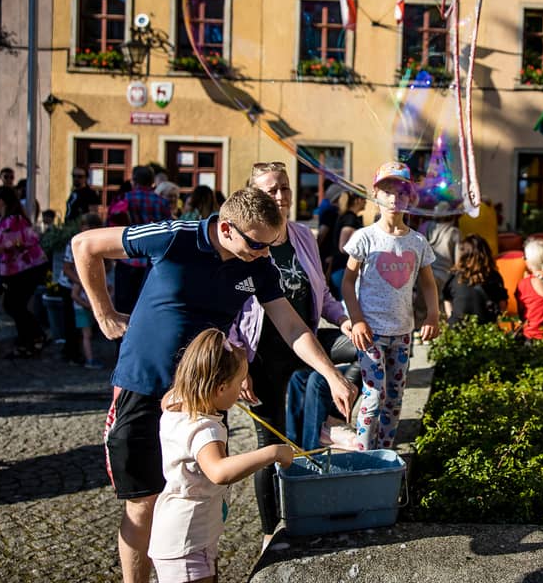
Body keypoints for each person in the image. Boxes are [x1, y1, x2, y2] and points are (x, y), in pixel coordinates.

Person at [72, 186, 356, 583]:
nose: (265, 253)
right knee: (143, 502)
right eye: (257, 244)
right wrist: (103, 313)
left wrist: (330, 373)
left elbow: (291, 326)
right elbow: (85, 244)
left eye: (271, 244)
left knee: (198, 495)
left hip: (202, 398)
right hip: (143, 385)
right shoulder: (175, 237)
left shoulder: (258, 265)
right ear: (226, 229)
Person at [228, 161, 353, 549]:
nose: (280, 196)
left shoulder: (302, 235)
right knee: (269, 442)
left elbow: (323, 293)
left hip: (304, 342)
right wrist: (238, 363)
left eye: (284, 187)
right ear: (253, 195)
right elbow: (228, 307)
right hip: (261, 355)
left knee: (367, 347)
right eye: (270, 190)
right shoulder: (243, 240)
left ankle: (329, 426)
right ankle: (271, 531)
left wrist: (345, 321)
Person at [148, 327, 293, 583]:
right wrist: (272, 452)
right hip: (188, 541)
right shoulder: (204, 430)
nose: (241, 391)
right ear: (221, 388)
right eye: (239, 383)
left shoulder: (175, 403)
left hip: (183, 535)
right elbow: (219, 471)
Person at [341, 161, 439, 451]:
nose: (395, 198)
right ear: (376, 195)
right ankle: (363, 454)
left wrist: (433, 315)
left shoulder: (417, 242)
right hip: (370, 333)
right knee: (373, 396)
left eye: (402, 192)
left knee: (395, 399)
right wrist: (357, 319)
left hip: (403, 333)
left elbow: (428, 284)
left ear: (411, 197)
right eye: (387, 191)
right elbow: (347, 282)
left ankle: (385, 452)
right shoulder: (365, 238)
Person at [0, 186, 50, 358]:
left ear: (1, 202)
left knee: (14, 305)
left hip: (29, 268)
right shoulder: (4, 220)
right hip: (20, 270)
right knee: (13, 305)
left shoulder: (12, 221)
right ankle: (29, 340)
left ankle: (34, 338)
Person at [113, 166, 173, 315]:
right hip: (152, 260)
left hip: (127, 257)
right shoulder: (162, 202)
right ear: (152, 182)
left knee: (124, 306)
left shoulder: (125, 198)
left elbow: (112, 225)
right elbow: (169, 231)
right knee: (147, 306)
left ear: (134, 181)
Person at [63, 213, 109, 369]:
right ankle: (73, 354)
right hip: (75, 285)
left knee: (86, 330)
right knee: (74, 327)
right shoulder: (74, 243)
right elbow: (67, 269)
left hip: (85, 287)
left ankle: (83, 354)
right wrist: (84, 282)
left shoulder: (99, 242)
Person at [442, 234, 507, 328]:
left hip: (457, 330)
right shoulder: (493, 277)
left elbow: (446, 298)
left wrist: (451, 318)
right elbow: (502, 306)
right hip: (485, 331)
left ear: (463, 254)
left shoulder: (454, 276)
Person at [327, 190, 365, 295]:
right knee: (344, 302)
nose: (366, 202)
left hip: (340, 268)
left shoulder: (346, 216)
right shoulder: (350, 219)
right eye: (364, 199)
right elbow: (343, 247)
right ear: (358, 200)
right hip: (343, 269)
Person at [314, 180, 344, 267]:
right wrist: (314, 250)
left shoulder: (336, 212)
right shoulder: (330, 212)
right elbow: (322, 233)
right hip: (327, 256)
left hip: (331, 256)